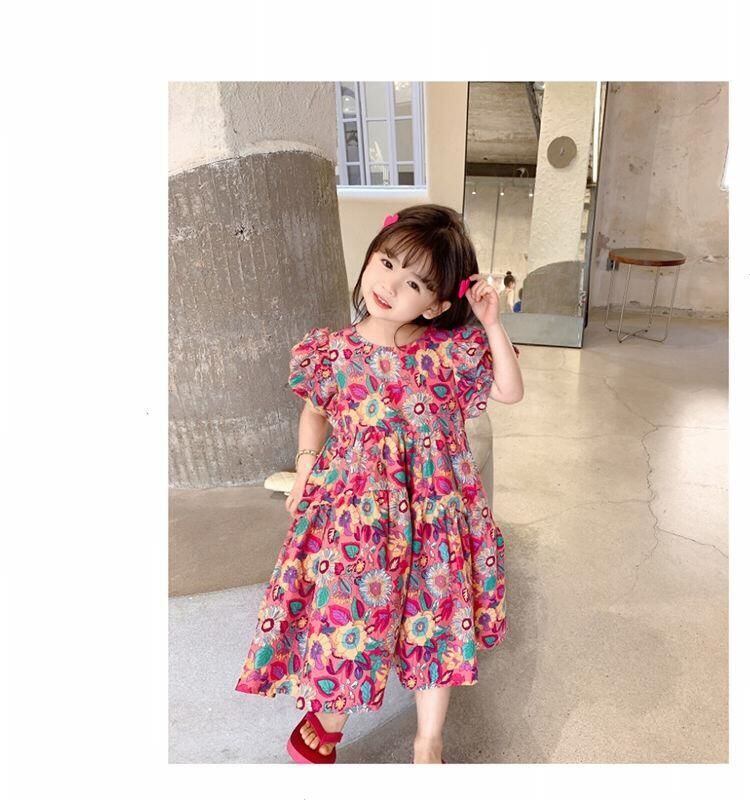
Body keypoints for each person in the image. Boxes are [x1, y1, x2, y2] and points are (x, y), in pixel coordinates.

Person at [234, 204, 523, 765]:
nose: (390, 285)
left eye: (414, 282)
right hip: (359, 512)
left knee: (437, 618)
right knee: (351, 610)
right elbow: (315, 411)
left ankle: (428, 740)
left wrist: (491, 323)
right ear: (369, 258)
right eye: (387, 263)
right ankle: (334, 715)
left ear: (437, 304)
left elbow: (509, 392)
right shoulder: (331, 351)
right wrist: (306, 465)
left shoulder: (448, 353)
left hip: (436, 511)